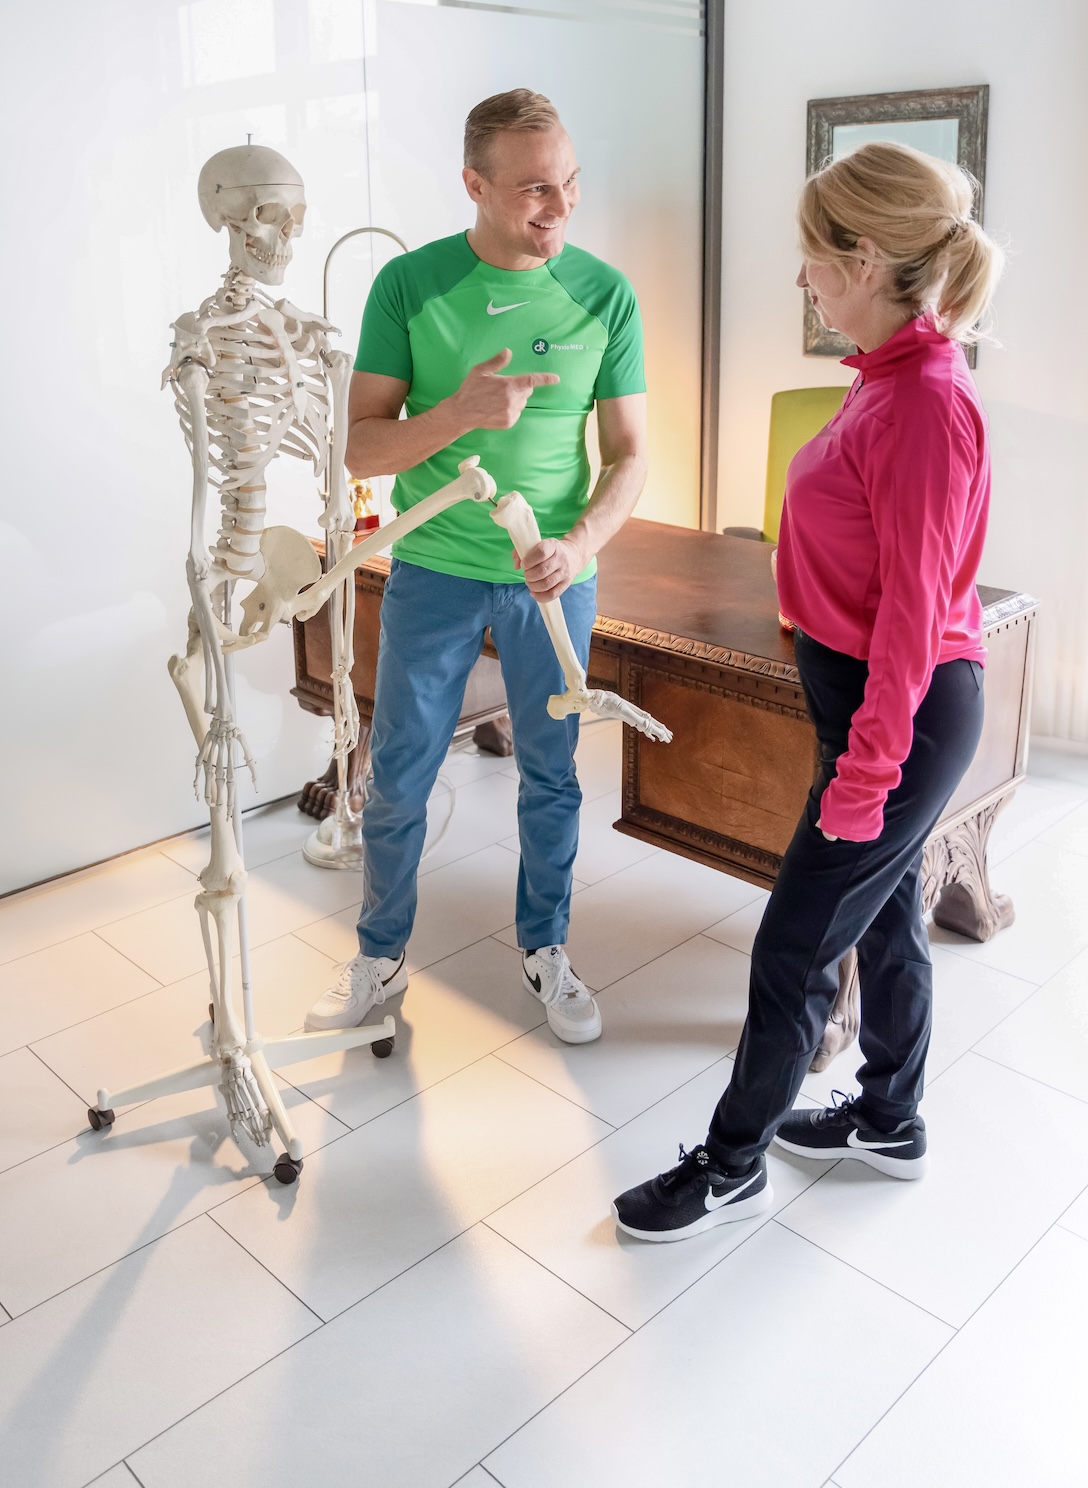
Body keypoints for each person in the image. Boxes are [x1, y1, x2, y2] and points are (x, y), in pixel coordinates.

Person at [614, 141, 1002, 1241]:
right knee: (885, 919)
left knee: (795, 945)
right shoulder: (888, 376)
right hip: (875, 702)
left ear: (865, 260)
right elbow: (869, 544)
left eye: (812, 258)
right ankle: (889, 1120)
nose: (801, 277)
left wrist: (867, 777)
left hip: (904, 717)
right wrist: (808, 601)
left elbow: (917, 612)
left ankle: (732, 1164)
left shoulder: (924, 400)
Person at [304, 88, 647, 1044]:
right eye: (535, 188)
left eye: (570, 183)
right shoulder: (408, 287)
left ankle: (546, 949)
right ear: (475, 185)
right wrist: (458, 413)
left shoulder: (605, 294)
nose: (560, 206)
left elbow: (629, 456)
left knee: (552, 776)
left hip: (553, 578)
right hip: (434, 568)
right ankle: (379, 959)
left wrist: (580, 546)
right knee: (399, 776)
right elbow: (360, 448)